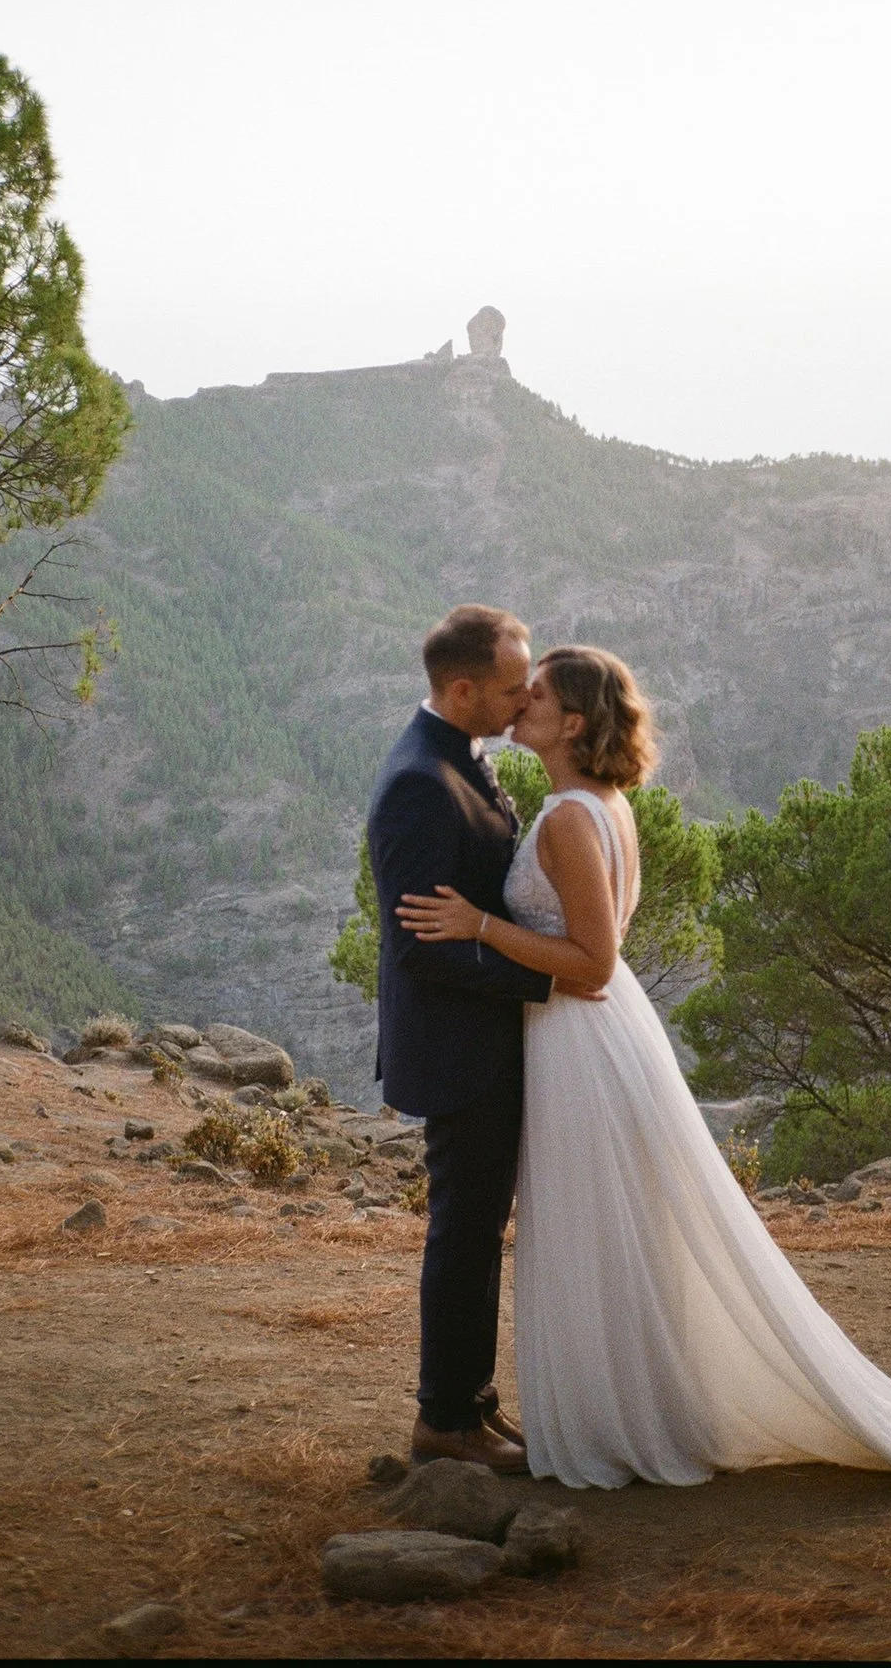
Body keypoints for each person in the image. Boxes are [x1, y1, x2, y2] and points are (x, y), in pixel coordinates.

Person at [397, 644, 891, 1492]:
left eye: (538, 694)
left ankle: (621, 1421)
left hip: (579, 1033)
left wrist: (477, 926)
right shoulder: (597, 802)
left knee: (594, 1230)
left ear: (570, 722)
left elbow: (592, 962)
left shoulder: (569, 816)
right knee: (610, 1229)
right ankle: (630, 1403)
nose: (519, 701)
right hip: (591, 1033)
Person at [368, 605, 599, 1474]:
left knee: (476, 1231)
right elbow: (420, 952)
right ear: (461, 689)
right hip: (459, 1051)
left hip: (494, 1041)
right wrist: (546, 977)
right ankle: (443, 1423)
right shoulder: (418, 784)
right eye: (509, 689)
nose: (522, 699)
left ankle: (472, 1406)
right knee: (462, 1235)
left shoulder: (465, 756)